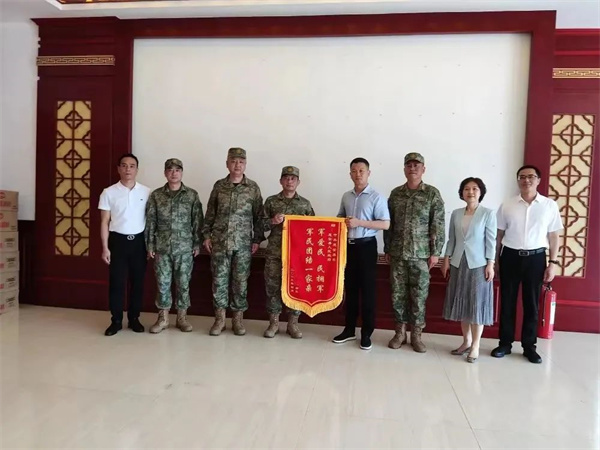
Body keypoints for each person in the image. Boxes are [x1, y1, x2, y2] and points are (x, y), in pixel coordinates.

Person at [492, 165, 563, 364]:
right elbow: (498, 235)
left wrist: (552, 263)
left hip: (536, 258)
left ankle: (529, 346)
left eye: (531, 176)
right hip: (510, 257)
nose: (526, 180)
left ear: (538, 180)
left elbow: (554, 236)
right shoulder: (507, 204)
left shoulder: (549, 205)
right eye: (522, 177)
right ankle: (505, 343)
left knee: (531, 304)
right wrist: (495, 261)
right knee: (507, 302)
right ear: (518, 180)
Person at [384, 152, 445, 353]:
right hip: (398, 254)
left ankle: (416, 336)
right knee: (397, 296)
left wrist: (436, 252)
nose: (412, 169)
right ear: (404, 169)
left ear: (423, 169)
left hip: (421, 256)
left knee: (419, 297)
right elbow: (389, 224)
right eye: (409, 165)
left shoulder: (432, 194)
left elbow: (438, 224)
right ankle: (400, 333)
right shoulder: (396, 194)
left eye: (416, 165)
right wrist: (387, 248)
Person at [202, 147, 263, 336]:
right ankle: (220, 320)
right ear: (227, 163)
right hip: (220, 243)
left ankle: (237, 320)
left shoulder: (253, 188)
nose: (237, 165)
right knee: (219, 282)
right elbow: (210, 213)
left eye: (241, 162)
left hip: (243, 245)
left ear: (245, 164)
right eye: (234, 161)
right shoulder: (219, 186)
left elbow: (258, 217)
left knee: (240, 283)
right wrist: (206, 235)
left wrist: (257, 239)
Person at [332, 157, 390, 351]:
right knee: (350, 289)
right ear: (350, 174)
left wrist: (359, 223)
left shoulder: (376, 197)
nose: (358, 174)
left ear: (368, 173)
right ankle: (349, 330)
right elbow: (340, 218)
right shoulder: (346, 196)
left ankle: (366, 334)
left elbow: (385, 224)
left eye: (361, 171)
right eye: (354, 171)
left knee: (367, 291)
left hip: (366, 247)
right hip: (348, 247)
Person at [441, 177, 496, 363]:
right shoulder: (456, 214)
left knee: (476, 305)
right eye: (466, 189)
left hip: (479, 264)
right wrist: (446, 259)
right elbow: (452, 239)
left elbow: (491, 241)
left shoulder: (487, 214)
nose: (470, 192)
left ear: (480, 192)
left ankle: (476, 346)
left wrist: (490, 264)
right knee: (463, 304)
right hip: (458, 262)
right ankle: (466, 341)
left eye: (474, 188)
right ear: (462, 193)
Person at [145, 158, 203, 334]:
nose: (174, 173)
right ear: (165, 173)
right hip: (162, 248)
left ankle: (182, 318)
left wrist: (197, 243)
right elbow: (151, 221)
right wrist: (150, 245)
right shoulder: (156, 195)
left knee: (183, 283)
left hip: (185, 248)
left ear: (182, 172)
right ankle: (163, 318)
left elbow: (197, 221)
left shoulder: (191, 195)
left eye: (177, 170)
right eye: (170, 170)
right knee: (162, 284)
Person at [99, 154, 151, 336]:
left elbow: (151, 221)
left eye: (132, 166)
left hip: (139, 242)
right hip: (117, 241)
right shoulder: (108, 192)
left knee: (137, 282)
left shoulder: (147, 192)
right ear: (118, 168)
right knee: (117, 282)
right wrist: (105, 247)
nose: (128, 169)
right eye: (124, 165)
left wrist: (150, 246)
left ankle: (134, 318)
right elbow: (104, 221)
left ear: (137, 169)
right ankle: (116, 320)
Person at [262, 166, 315, 339]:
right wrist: (272, 221)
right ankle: (274, 323)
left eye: (293, 178)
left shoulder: (305, 204)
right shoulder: (271, 202)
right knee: (272, 287)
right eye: (286, 178)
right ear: (280, 181)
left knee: (296, 287)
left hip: (297, 255)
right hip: (275, 253)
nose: (289, 181)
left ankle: (293, 324)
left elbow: (314, 230)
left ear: (298, 182)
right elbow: (259, 225)